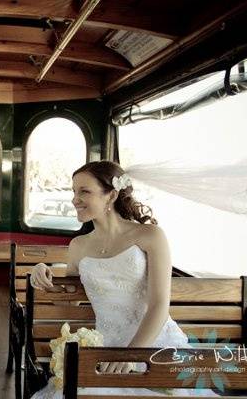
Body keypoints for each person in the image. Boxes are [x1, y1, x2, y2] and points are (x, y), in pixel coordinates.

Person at [30, 160, 216, 398]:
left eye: (84, 191)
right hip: (105, 346)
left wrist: (131, 354)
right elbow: (68, 303)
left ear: (111, 195)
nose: (75, 199)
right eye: (74, 191)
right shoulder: (78, 246)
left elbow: (159, 304)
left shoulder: (151, 236)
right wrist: (43, 270)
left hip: (155, 342)